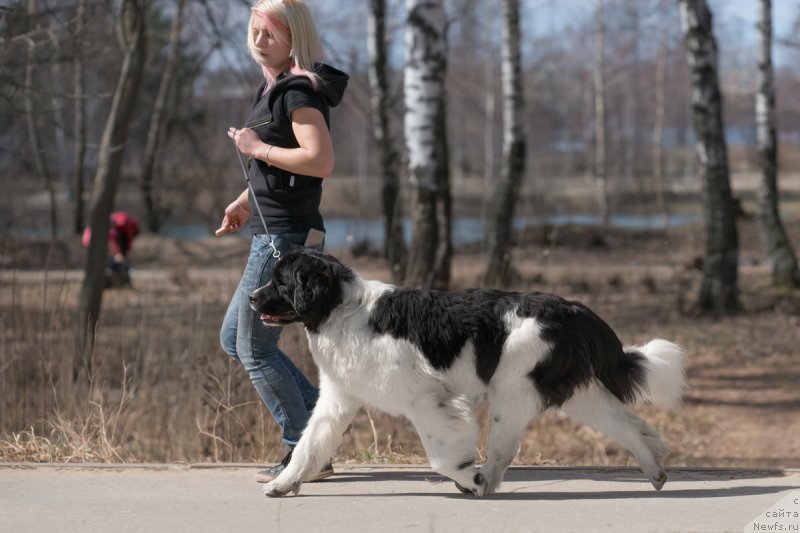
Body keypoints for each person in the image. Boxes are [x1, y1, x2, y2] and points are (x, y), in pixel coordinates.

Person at [216, 0, 348, 484]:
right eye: (254, 30)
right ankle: (321, 427)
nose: (258, 39)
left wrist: (255, 147)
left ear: (294, 38)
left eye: (270, 33)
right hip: (273, 231)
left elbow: (319, 161)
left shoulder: (298, 93)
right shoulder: (272, 88)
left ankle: (305, 450)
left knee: (255, 348)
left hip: (285, 240)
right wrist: (246, 200)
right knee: (235, 339)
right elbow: (277, 168)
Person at [82, 211, 140, 288]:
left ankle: (120, 273)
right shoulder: (121, 227)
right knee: (117, 259)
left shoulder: (119, 228)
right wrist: (121, 253)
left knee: (118, 258)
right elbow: (121, 239)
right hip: (95, 239)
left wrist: (120, 253)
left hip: (99, 238)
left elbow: (120, 239)